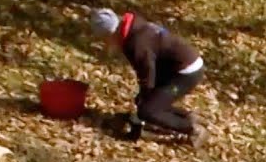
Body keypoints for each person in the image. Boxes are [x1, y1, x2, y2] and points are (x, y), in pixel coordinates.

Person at [88, 8, 206, 144]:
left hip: (186, 72)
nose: (105, 44)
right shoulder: (134, 26)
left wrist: (143, 100)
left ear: (111, 33)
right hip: (172, 66)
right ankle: (187, 117)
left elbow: (147, 73)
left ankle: (193, 129)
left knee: (148, 110)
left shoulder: (136, 43)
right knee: (151, 101)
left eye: (104, 39)